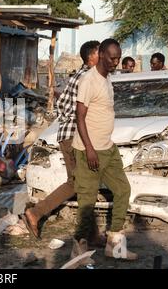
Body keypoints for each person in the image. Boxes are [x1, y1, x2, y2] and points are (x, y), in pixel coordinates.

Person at [22, 40, 104, 246]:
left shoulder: (86, 77)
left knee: (81, 184)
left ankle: (90, 233)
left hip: (73, 136)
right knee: (80, 183)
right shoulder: (87, 77)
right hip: (75, 137)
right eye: (100, 53)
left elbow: (67, 105)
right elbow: (68, 107)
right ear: (91, 57)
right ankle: (36, 212)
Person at [72, 38, 137, 260]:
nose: (115, 62)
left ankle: (115, 245)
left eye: (118, 58)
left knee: (122, 190)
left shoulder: (107, 78)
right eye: (112, 58)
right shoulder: (88, 80)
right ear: (100, 54)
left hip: (108, 148)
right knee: (87, 202)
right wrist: (89, 149)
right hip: (88, 150)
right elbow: (79, 117)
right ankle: (78, 252)